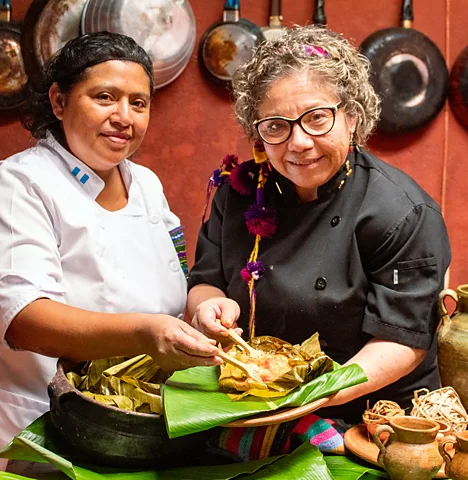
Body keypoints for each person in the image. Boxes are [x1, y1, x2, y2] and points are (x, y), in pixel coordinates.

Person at [187, 26, 451, 425]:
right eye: (276, 125)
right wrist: (207, 307)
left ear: (351, 117)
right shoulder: (239, 194)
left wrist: (313, 395)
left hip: (372, 422)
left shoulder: (401, 213)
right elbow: (205, 282)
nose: (299, 143)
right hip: (256, 404)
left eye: (316, 118)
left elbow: (401, 341)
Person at [0, 32, 222, 472]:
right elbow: (23, 320)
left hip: (135, 427)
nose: (124, 117)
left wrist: (205, 307)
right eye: (105, 97)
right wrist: (144, 332)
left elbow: (173, 280)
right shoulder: (21, 185)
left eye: (139, 102)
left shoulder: (146, 184)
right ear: (59, 102)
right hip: (38, 431)